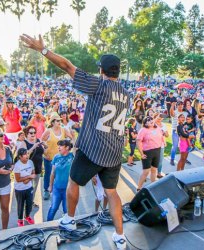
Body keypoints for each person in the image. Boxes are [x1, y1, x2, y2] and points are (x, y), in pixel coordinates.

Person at [21, 34, 130, 249]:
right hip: (114, 152)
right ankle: (120, 236)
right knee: (111, 192)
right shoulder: (126, 93)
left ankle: (69, 219)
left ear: (102, 70)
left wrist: (43, 50)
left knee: (74, 181)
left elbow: (67, 66)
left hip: (92, 149)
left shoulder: (99, 85)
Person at [41, 114, 72, 200]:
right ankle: (46, 190)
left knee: (60, 173)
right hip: (49, 158)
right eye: (57, 121)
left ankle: (61, 190)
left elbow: (71, 138)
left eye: (60, 120)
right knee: (48, 174)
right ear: (53, 122)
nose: (59, 122)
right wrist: (45, 152)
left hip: (60, 158)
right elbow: (41, 141)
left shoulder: (64, 130)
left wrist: (69, 147)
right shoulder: (48, 131)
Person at [18, 126, 45, 207]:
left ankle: (31, 202)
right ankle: (26, 203)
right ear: (26, 134)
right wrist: (33, 147)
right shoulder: (24, 143)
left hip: (38, 167)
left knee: (35, 186)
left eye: (34, 132)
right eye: (31, 133)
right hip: (27, 170)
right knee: (27, 187)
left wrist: (45, 146)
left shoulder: (38, 140)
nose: (33, 134)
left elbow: (42, 152)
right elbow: (24, 156)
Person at [47, 140, 74, 221]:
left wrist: (73, 136)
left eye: (61, 145)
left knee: (67, 210)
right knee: (53, 208)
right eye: (58, 145)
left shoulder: (72, 156)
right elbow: (52, 173)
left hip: (68, 189)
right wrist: (50, 185)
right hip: (57, 188)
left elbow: (76, 146)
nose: (58, 147)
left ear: (67, 147)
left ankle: (68, 225)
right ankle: (47, 225)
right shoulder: (56, 157)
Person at [136, 116, 164, 190]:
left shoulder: (157, 127)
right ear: (145, 123)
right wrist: (141, 153)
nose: (150, 120)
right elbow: (138, 141)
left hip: (157, 150)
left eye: (151, 119)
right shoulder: (143, 130)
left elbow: (161, 135)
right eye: (148, 120)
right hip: (147, 152)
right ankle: (139, 188)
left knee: (154, 169)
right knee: (146, 171)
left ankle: (153, 186)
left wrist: (163, 141)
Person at [13, 148, 36, 227]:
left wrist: (27, 179)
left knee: (29, 204)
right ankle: (20, 219)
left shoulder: (30, 162)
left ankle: (27, 216)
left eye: (27, 154)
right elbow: (18, 179)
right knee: (20, 205)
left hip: (29, 187)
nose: (27, 155)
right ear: (20, 156)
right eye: (25, 154)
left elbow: (33, 173)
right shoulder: (17, 165)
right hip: (19, 189)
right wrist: (29, 176)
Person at [170, 101, 188, 166]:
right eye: (179, 105)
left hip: (183, 131)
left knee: (184, 145)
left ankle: (184, 158)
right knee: (174, 146)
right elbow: (171, 114)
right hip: (175, 131)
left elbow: (187, 121)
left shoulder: (185, 113)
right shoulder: (175, 112)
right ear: (177, 106)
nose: (180, 106)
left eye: (182, 105)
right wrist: (172, 106)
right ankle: (172, 159)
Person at [153, 112, 168, 178]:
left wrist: (164, 133)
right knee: (153, 160)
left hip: (161, 145)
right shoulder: (152, 124)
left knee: (160, 160)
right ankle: (151, 173)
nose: (160, 119)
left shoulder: (164, 125)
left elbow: (167, 135)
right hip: (153, 145)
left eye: (161, 118)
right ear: (155, 117)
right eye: (158, 117)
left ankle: (159, 173)